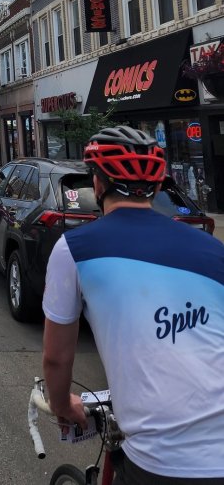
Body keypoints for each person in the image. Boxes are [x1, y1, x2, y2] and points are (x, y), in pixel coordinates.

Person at [42, 125, 224, 484]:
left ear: (97, 184)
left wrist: (61, 404)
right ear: (157, 187)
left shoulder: (74, 249)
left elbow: (57, 357)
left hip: (163, 461)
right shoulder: (212, 249)